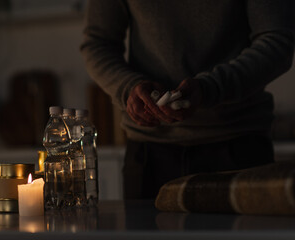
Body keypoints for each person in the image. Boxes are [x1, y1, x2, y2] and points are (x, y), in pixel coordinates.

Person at [80, 0, 295, 199]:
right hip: (149, 154)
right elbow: (98, 43)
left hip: (239, 146)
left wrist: (211, 87)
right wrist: (128, 88)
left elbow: (277, 39)